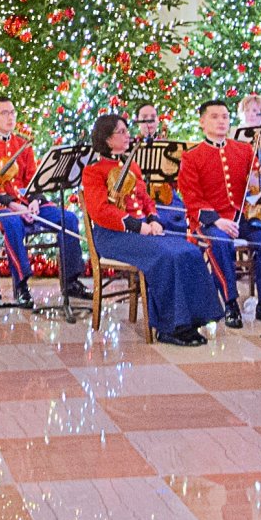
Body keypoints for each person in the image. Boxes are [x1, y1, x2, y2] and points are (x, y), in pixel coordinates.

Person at [78, 111, 222, 345]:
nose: (127, 136)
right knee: (166, 256)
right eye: (121, 132)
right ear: (106, 138)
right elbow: (101, 211)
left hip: (142, 230)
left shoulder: (131, 165)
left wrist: (153, 219)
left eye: (127, 131)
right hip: (113, 236)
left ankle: (192, 320)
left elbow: (145, 199)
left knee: (188, 250)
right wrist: (137, 227)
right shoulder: (94, 170)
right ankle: (169, 327)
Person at [177, 99, 261, 327]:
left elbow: (258, 185)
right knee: (219, 242)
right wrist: (217, 220)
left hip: (243, 217)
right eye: (214, 116)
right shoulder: (191, 157)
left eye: (225, 117)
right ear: (202, 122)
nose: (221, 121)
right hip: (211, 220)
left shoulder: (245, 150)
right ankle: (230, 303)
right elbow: (191, 198)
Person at [0, 96, 69, 306]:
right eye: (4, 113)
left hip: (26, 204)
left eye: (12, 112)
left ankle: (71, 280)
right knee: (12, 222)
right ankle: (22, 284)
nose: (10, 117)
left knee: (67, 218)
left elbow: (32, 178)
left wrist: (34, 200)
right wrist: (12, 204)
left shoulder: (22, 144)